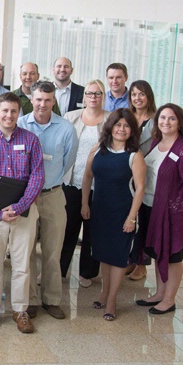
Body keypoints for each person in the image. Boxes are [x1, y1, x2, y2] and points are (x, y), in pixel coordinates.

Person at [0, 92, 44, 334]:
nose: (9, 115)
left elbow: (37, 177)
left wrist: (20, 206)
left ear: (19, 113)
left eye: (14, 111)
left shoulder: (31, 140)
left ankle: (20, 310)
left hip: (24, 214)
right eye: (4, 110)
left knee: (22, 264)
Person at [135, 104, 183, 315]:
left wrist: (179, 211)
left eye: (171, 118)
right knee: (157, 251)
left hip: (172, 215)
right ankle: (159, 293)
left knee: (173, 256)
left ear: (180, 122)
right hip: (150, 208)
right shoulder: (156, 143)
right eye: (162, 118)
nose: (166, 122)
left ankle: (169, 299)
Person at [17, 81, 78, 320]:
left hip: (53, 194)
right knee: (27, 250)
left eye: (48, 100)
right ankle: (30, 299)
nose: (43, 104)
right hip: (25, 198)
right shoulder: (20, 124)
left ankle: (52, 299)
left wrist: (49, 181)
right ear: (31, 99)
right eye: (39, 99)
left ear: (54, 101)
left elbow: (68, 162)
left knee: (53, 251)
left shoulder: (66, 129)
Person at [81, 109, 146, 321]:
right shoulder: (98, 149)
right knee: (103, 255)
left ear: (132, 130)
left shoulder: (134, 155)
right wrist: (84, 203)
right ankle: (103, 293)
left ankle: (111, 301)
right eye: (118, 124)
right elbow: (87, 177)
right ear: (111, 126)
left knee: (117, 258)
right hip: (100, 210)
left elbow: (140, 188)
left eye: (127, 126)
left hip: (122, 213)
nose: (121, 129)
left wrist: (131, 217)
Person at [59, 80, 110, 288]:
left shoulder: (110, 119)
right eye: (89, 93)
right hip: (72, 180)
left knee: (93, 230)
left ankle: (87, 272)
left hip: (98, 184)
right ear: (84, 96)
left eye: (97, 93)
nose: (93, 97)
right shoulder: (71, 117)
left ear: (103, 96)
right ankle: (59, 269)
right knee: (67, 228)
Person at [125, 80, 158, 281]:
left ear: (149, 97)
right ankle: (131, 258)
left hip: (145, 173)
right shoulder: (127, 117)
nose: (138, 98)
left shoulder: (155, 121)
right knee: (129, 218)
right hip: (125, 172)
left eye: (142, 94)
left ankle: (142, 264)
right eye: (134, 94)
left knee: (144, 220)